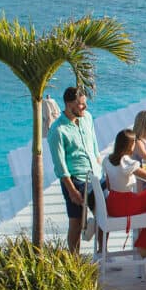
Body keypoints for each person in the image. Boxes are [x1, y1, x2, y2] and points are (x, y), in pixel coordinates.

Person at [48, 86, 100, 253]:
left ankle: (102, 253)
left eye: (85, 104)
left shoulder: (88, 118)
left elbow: (94, 146)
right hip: (76, 180)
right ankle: (74, 261)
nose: (84, 107)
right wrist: (72, 190)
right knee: (76, 222)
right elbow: (60, 165)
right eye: (80, 104)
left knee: (104, 216)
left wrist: (100, 168)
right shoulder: (57, 130)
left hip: (95, 176)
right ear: (68, 104)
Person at [102, 129, 146, 256]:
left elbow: (108, 185)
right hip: (124, 205)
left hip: (112, 204)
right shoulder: (127, 162)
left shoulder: (107, 159)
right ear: (131, 145)